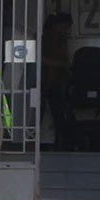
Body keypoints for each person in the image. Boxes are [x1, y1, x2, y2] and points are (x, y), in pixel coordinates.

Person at [41, 11, 75, 150]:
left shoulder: (57, 38)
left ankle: (59, 144)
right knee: (53, 115)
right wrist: (62, 65)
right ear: (58, 25)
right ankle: (60, 145)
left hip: (54, 81)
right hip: (48, 81)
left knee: (57, 115)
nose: (67, 30)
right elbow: (41, 59)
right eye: (65, 27)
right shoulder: (48, 38)